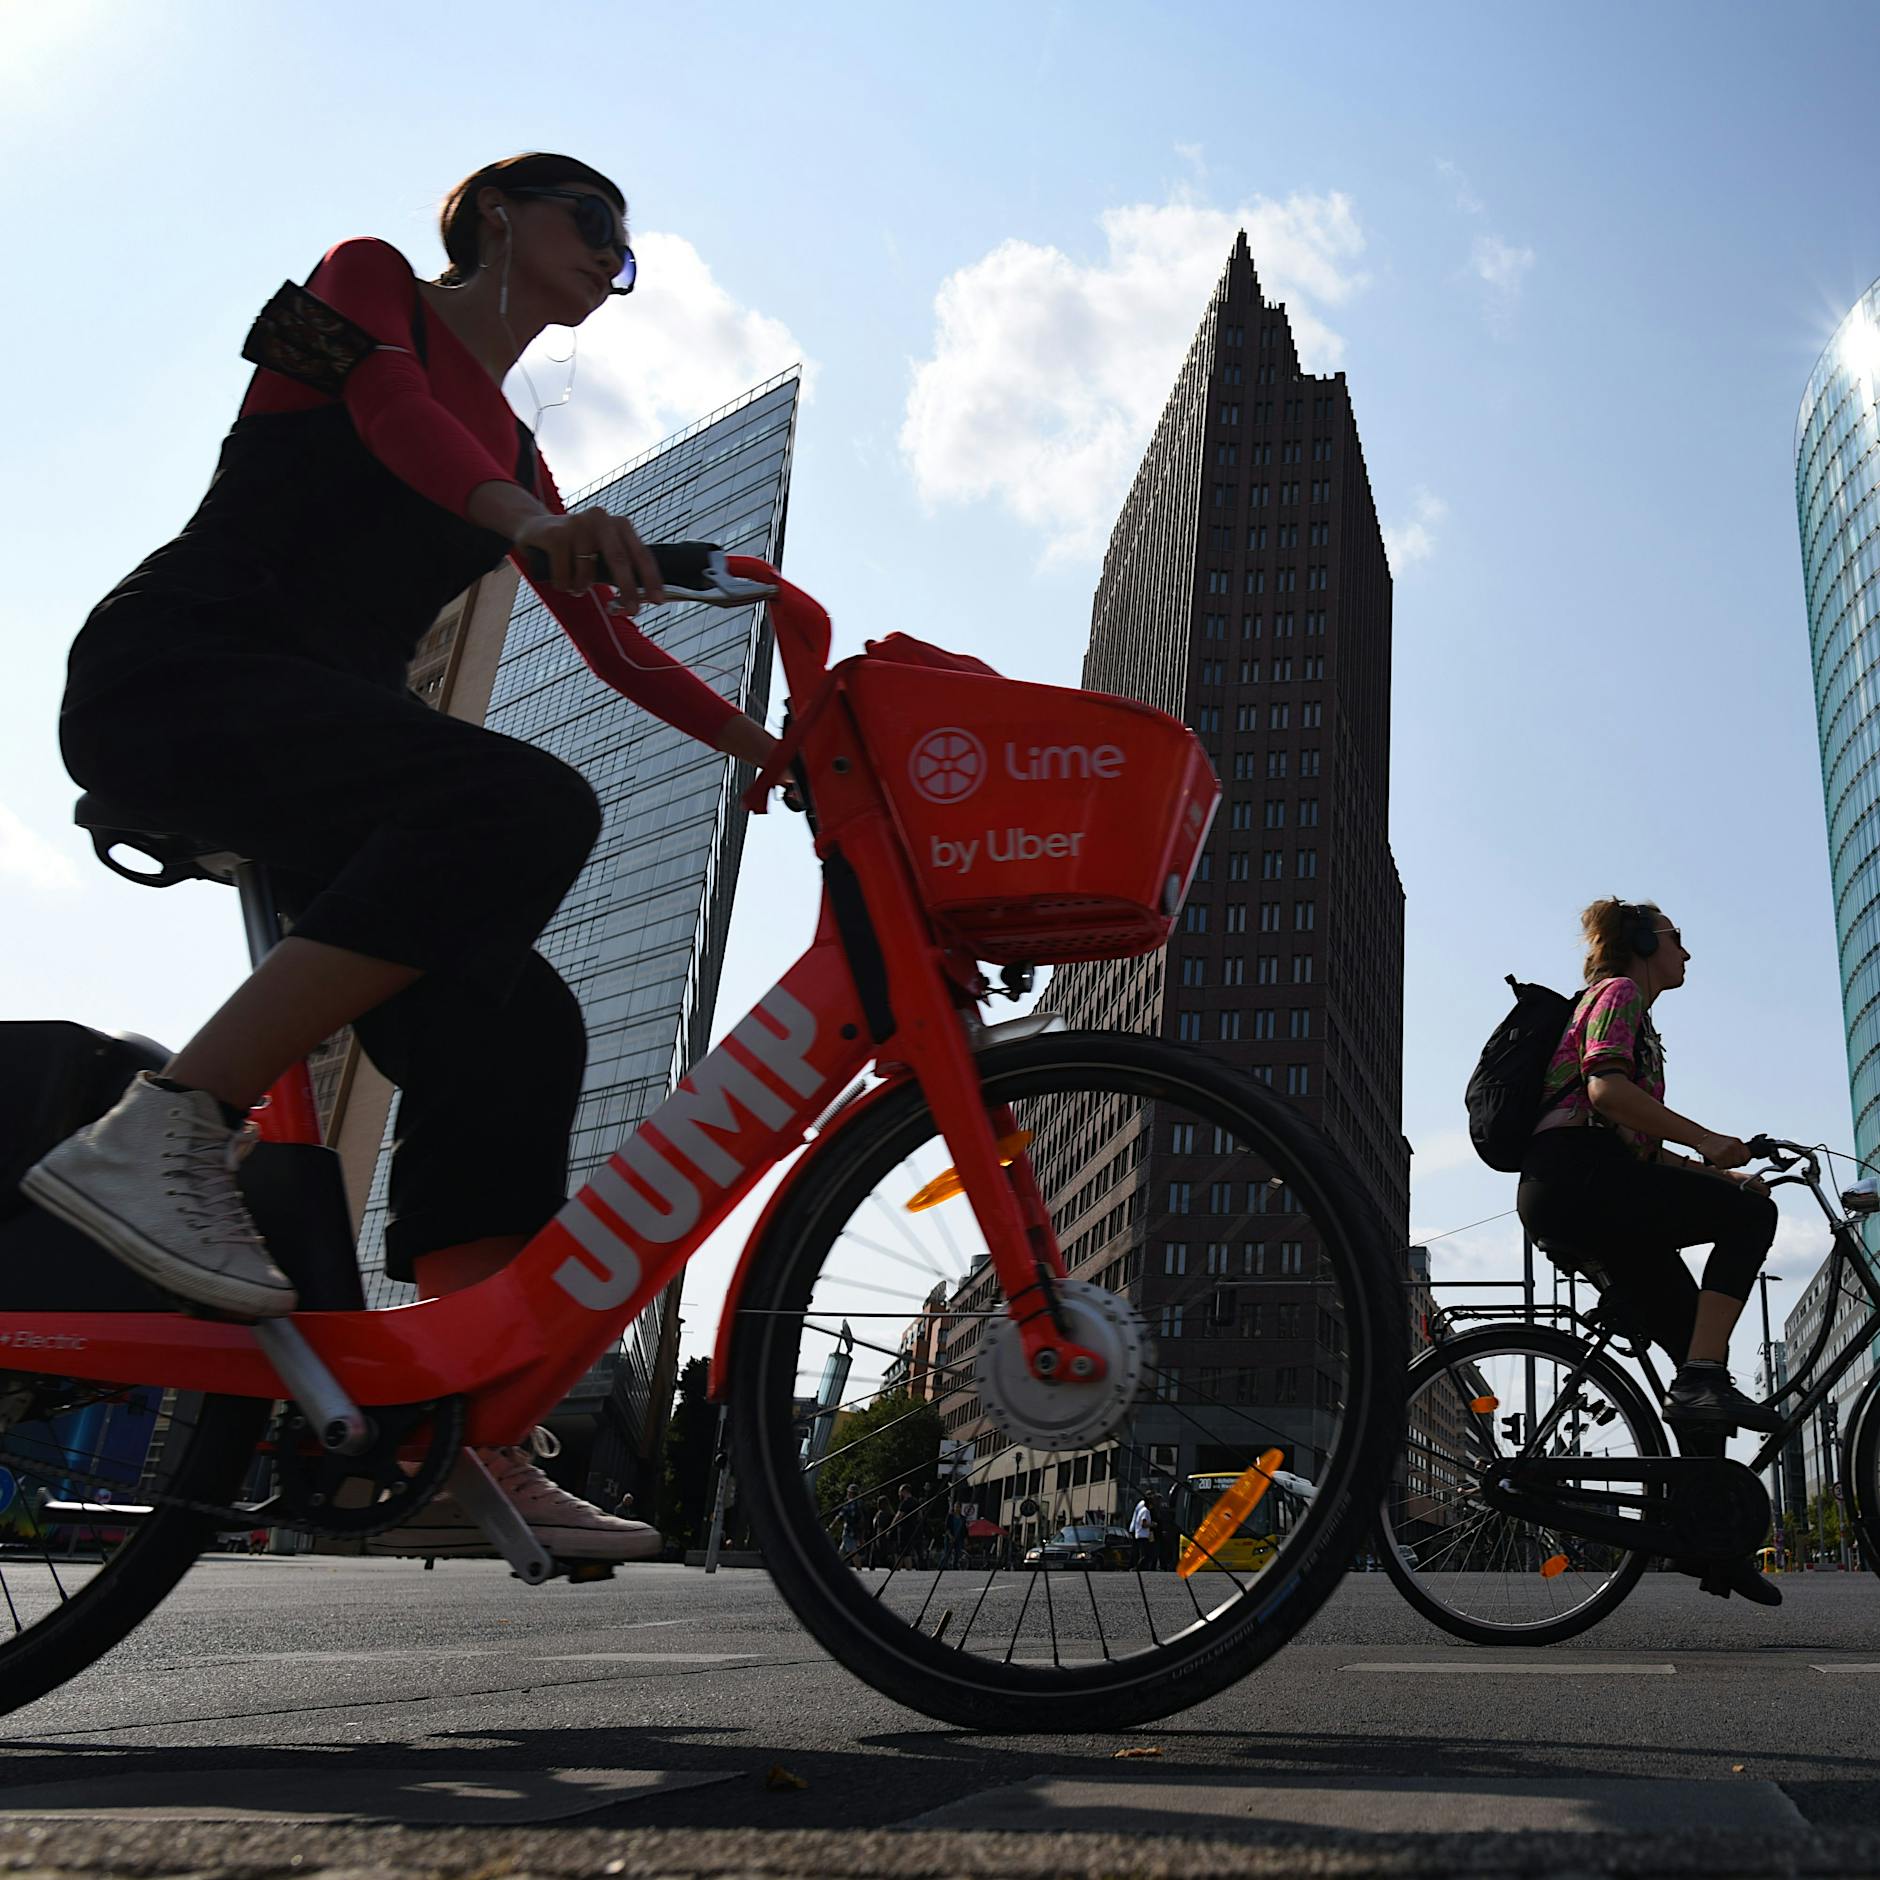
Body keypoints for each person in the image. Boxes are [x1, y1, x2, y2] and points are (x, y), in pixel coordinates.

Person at [20, 153, 779, 1565]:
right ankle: (167, 1127)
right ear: (497, 211)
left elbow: (612, 646)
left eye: (627, 258)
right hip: (184, 671)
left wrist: (770, 750)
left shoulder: (520, 460)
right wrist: (529, 522)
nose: (609, 265)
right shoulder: (366, 283)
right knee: (527, 806)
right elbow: (390, 409)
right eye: (592, 225)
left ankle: (457, 1429)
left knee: (519, 1023)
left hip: (330, 752)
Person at [1516, 899, 1781, 1603]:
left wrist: (1720, 1175)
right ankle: (1701, 1381)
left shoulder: (1638, 1018)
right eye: (1676, 939)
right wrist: (1708, 1141)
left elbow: (1640, 1146)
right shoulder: (1619, 993)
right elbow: (1605, 1091)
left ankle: (1711, 1541)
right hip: (1578, 1178)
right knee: (1752, 1224)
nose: (1686, 953)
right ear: (1640, 941)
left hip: (1586, 1182)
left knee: (1697, 1359)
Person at [1130, 1492, 1156, 1571]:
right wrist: (1152, 1525)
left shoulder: (1142, 1510)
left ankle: (1140, 1567)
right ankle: (1137, 1568)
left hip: (1140, 1535)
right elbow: (1143, 1524)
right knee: (1144, 1555)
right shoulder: (1145, 1511)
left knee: (1142, 1554)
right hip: (1143, 1535)